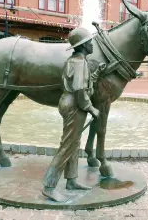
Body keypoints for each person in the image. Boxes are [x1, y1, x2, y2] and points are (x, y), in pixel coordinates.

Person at [42, 27, 104, 202]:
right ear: (84, 46)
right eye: (90, 42)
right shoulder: (79, 62)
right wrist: (91, 108)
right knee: (68, 145)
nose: (92, 44)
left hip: (71, 103)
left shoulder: (76, 60)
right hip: (75, 105)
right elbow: (79, 90)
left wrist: (97, 73)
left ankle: (71, 180)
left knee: (74, 143)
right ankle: (49, 185)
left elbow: (83, 82)